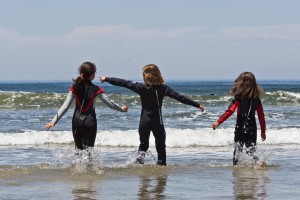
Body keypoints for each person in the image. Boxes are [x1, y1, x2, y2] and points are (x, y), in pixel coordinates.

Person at [99, 64, 204, 166]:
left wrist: (106, 78)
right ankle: (161, 173)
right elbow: (180, 97)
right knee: (161, 147)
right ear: (158, 74)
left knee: (143, 146)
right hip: (157, 121)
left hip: (144, 121)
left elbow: (124, 83)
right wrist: (197, 105)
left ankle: (140, 171)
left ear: (145, 76)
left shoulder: (141, 87)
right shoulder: (164, 89)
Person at [45, 62, 128, 152]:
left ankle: (77, 166)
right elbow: (110, 104)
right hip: (90, 121)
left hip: (76, 121)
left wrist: (53, 121)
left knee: (78, 150)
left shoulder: (74, 88)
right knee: (89, 152)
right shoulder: (97, 89)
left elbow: (65, 107)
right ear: (92, 75)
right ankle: (89, 166)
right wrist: (121, 109)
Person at [212, 72, 266, 166]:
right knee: (251, 151)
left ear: (242, 83)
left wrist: (218, 122)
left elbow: (230, 111)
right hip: (252, 128)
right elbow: (261, 116)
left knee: (237, 152)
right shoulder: (256, 99)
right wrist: (263, 131)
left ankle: (236, 170)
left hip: (240, 128)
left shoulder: (239, 97)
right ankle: (258, 163)